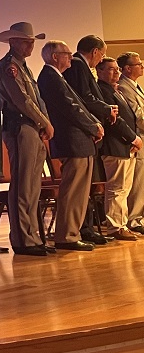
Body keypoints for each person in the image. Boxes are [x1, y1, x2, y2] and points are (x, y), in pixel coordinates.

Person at [38, 40, 104, 251]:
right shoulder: (49, 77)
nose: (71, 58)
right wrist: (93, 126)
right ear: (55, 57)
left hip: (79, 141)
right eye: (67, 54)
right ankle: (67, 236)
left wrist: (93, 124)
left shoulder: (57, 76)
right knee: (73, 191)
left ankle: (71, 234)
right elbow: (70, 107)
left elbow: (78, 105)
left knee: (79, 192)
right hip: (72, 140)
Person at [0, 22, 53, 256]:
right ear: (12, 42)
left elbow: (37, 100)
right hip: (19, 126)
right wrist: (45, 123)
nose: (31, 45)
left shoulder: (25, 67)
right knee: (22, 186)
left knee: (32, 186)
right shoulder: (10, 67)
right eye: (25, 41)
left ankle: (33, 237)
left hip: (32, 127)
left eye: (32, 41)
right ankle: (22, 240)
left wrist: (43, 124)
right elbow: (22, 101)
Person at [63, 35, 116, 245]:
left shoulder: (79, 66)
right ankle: (83, 228)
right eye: (101, 54)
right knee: (82, 187)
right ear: (95, 52)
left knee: (88, 186)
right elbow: (84, 98)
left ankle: (86, 228)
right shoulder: (78, 65)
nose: (100, 60)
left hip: (88, 133)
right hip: (80, 133)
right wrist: (106, 109)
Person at [95, 56, 142, 241]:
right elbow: (115, 122)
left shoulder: (114, 90)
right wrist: (134, 138)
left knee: (124, 188)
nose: (116, 72)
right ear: (99, 71)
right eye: (111, 69)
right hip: (114, 146)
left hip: (124, 146)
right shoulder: (103, 91)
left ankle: (121, 224)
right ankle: (115, 226)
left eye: (117, 69)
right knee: (117, 188)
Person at [116, 52, 144, 234]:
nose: (142, 66)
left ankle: (139, 218)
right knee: (137, 182)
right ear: (127, 68)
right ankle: (135, 220)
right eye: (138, 63)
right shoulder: (125, 87)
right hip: (137, 139)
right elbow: (137, 116)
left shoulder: (135, 86)